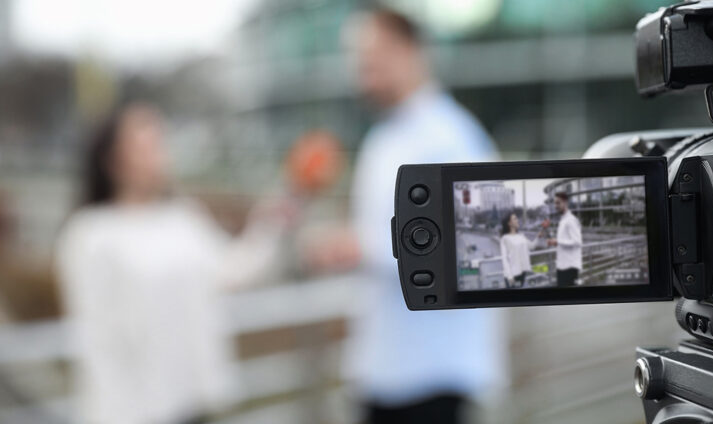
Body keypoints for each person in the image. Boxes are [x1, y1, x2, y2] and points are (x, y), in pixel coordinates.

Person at [56, 102, 291, 424]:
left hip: (193, 404)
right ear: (113, 159)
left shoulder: (182, 217)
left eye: (160, 140)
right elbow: (100, 344)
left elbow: (234, 270)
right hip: (134, 413)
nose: (159, 152)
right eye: (145, 143)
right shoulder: (91, 234)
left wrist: (279, 213)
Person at [346, 8, 506, 424]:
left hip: (435, 372)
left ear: (410, 51)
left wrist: (359, 248)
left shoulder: (454, 136)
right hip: (384, 365)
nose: (362, 72)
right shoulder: (383, 137)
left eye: (372, 57)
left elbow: (479, 240)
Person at [499, 213, 542, 288]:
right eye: (515, 219)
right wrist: (509, 276)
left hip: (522, 272)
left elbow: (531, 246)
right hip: (512, 275)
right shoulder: (505, 238)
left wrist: (538, 237)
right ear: (509, 223)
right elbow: (505, 259)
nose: (518, 220)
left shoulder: (521, 235)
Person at [550, 192, 583, 287]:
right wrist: (556, 242)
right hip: (562, 266)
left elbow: (577, 242)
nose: (555, 206)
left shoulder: (571, 220)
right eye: (555, 203)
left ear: (565, 202)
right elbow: (565, 241)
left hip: (569, 268)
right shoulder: (563, 219)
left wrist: (558, 241)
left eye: (558, 203)